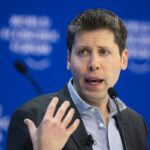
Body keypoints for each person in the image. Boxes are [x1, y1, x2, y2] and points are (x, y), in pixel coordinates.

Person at [7, 8, 148, 150]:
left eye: (104, 52)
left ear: (123, 59)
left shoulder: (136, 124)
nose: (94, 64)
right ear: (68, 59)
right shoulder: (34, 118)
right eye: (83, 52)